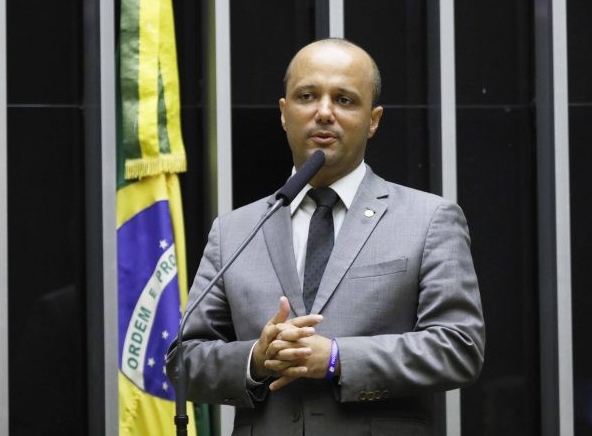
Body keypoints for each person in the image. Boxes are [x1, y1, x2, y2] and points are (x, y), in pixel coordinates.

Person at [168, 38, 485, 435]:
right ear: (284, 113)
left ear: (374, 119)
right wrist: (256, 359)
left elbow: (459, 348)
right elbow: (184, 358)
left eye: (345, 100)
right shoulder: (235, 231)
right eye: (306, 96)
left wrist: (336, 358)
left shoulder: (429, 219)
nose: (323, 112)